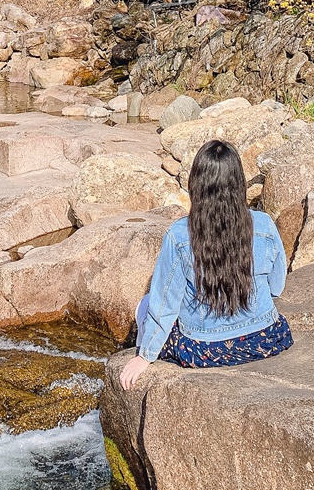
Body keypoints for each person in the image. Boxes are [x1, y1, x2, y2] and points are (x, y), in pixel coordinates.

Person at [121, 140, 293, 388]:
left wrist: (144, 356)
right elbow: (277, 286)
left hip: (205, 349)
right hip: (264, 339)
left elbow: (164, 305)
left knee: (146, 303)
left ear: (196, 185)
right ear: (238, 183)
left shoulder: (179, 235)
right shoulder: (264, 224)